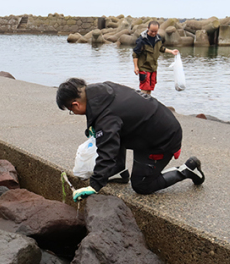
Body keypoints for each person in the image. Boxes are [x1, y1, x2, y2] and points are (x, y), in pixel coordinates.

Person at [56, 78, 205, 202]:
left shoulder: (106, 119)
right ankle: (119, 171)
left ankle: (188, 170)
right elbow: (110, 125)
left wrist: (94, 185)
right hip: (152, 125)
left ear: (76, 104)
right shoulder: (103, 89)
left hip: (162, 139)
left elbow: (107, 150)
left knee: (142, 186)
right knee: (110, 135)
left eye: (71, 111)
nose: (73, 113)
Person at [133, 21, 179, 95]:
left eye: (155, 31)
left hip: (153, 68)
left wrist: (171, 51)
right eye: (152, 31)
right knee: (144, 88)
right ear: (148, 28)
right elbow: (135, 54)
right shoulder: (142, 40)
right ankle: (142, 104)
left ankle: (148, 104)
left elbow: (161, 48)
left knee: (150, 88)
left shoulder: (158, 38)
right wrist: (136, 67)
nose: (154, 33)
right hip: (144, 67)